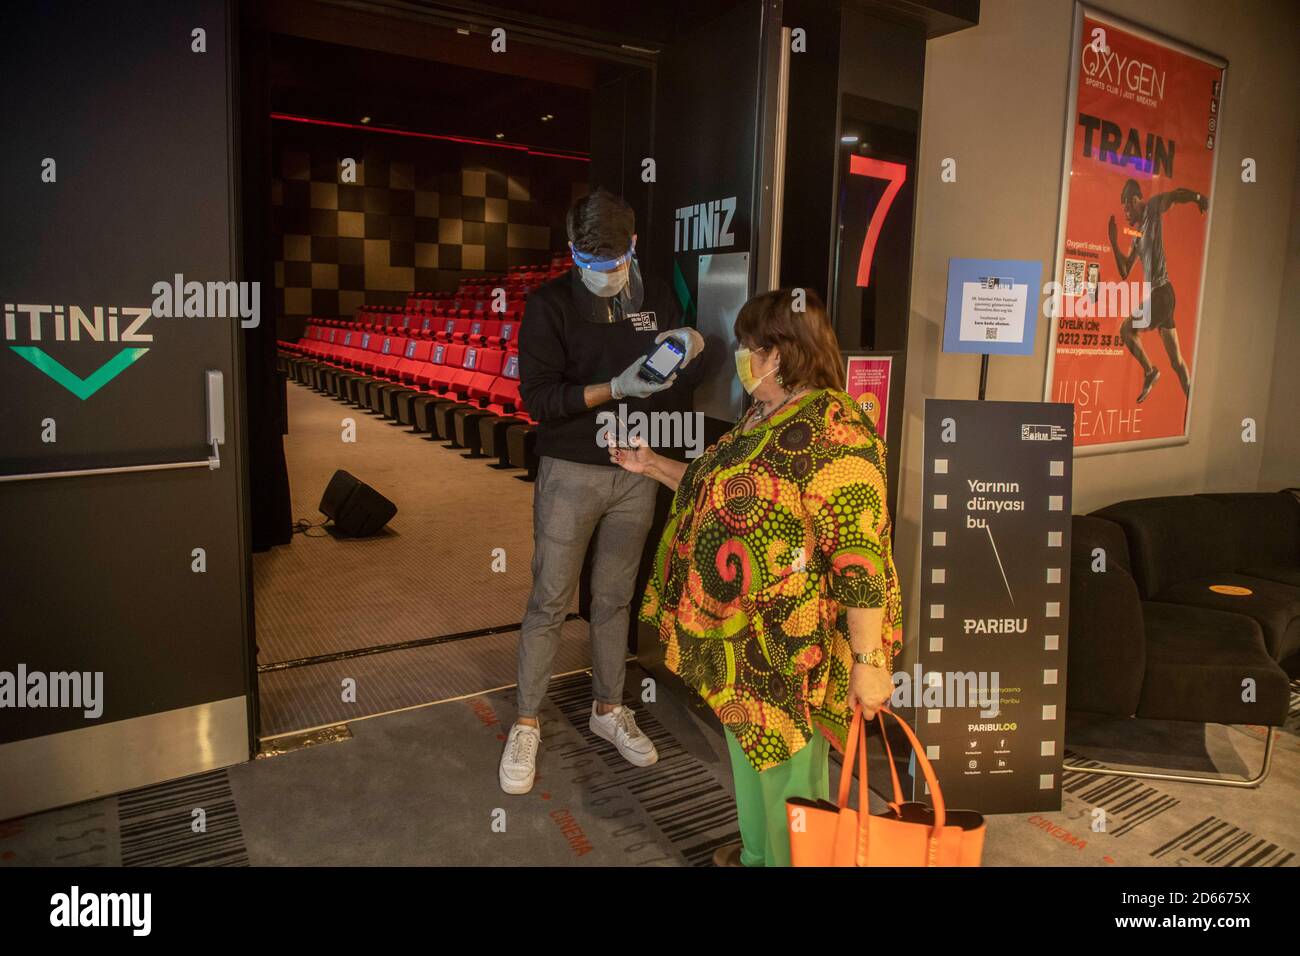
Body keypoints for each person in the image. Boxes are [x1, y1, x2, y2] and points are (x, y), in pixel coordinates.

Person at [614, 288, 901, 867]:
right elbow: (715, 490)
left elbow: (860, 558)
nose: (743, 356)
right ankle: (756, 856)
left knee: (789, 773)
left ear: (781, 353)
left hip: (790, 651)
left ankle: (788, 860)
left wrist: (870, 664)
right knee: (753, 757)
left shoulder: (838, 432)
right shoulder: (764, 416)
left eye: (751, 346)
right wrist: (650, 465)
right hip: (745, 649)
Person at [498, 188, 706, 795]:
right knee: (550, 599)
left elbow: (674, 367)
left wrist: (686, 349)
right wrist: (611, 387)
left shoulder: (655, 295)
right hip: (571, 470)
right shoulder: (550, 304)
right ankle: (526, 721)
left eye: (613, 264)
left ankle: (609, 709)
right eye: (590, 266)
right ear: (572, 254)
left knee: (614, 598)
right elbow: (537, 400)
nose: (604, 276)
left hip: (636, 470)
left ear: (632, 248)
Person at [1108, 178, 1206, 403]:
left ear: (1135, 201)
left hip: (1162, 294)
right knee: (1177, 362)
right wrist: (1114, 243)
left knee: (1126, 330)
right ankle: (1193, 403)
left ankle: (1150, 371)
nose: (1126, 215)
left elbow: (1174, 195)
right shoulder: (1137, 237)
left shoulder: (1152, 209)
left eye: (1127, 210)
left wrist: (1198, 198)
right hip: (1163, 297)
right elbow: (1124, 271)